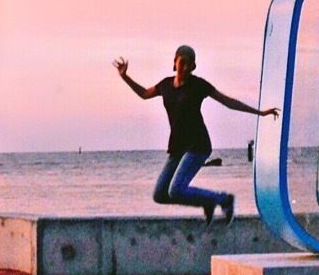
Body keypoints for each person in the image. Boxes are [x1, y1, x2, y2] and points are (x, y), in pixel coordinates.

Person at [114, 45, 277, 224]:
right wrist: (125, 77)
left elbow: (228, 102)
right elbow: (144, 94)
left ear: (193, 67)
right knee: (160, 195)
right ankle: (207, 201)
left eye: (189, 65)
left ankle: (223, 199)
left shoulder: (198, 85)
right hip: (177, 147)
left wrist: (260, 113)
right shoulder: (165, 85)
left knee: (175, 190)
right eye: (182, 63)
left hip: (198, 145)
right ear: (174, 63)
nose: (184, 68)